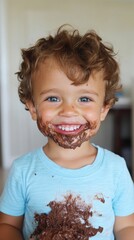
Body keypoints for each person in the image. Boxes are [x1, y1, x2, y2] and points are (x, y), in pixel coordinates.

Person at [0, 25, 134, 240]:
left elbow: (126, 227)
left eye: (84, 98)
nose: (69, 111)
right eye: (53, 98)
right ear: (33, 108)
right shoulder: (22, 170)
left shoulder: (116, 169)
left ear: (103, 109)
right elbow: (7, 225)